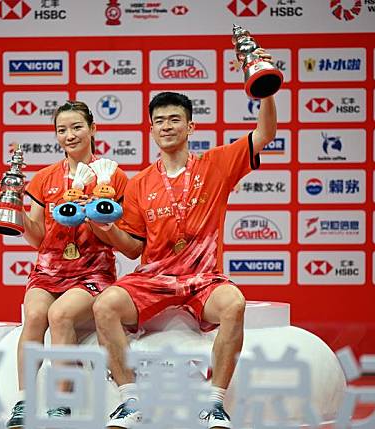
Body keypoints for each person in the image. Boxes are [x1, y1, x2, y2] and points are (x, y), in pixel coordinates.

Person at [88, 57, 277, 428]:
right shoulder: (140, 182)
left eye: (174, 119)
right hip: (154, 278)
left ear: (191, 125)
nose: (166, 126)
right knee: (105, 305)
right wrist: (105, 228)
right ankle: (130, 400)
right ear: (151, 129)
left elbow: (265, 132)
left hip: (203, 279)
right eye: (159, 121)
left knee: (234, 304)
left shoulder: (217, 163)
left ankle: (215, 402)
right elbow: (133, 248)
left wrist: (265, 90)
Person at [6, 100, 128, 429]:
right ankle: (23, 402)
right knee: (34, 315)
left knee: (59, 315)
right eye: (62, 130)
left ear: (93, 129)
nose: (69, 135)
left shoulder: (112, 176)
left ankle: (62, 405)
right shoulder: (44, 179)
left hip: (93, 271)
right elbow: (36, 238)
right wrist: (16, 211)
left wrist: (97, 214)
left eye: (76, 127)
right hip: (48, 270)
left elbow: (122, 233)